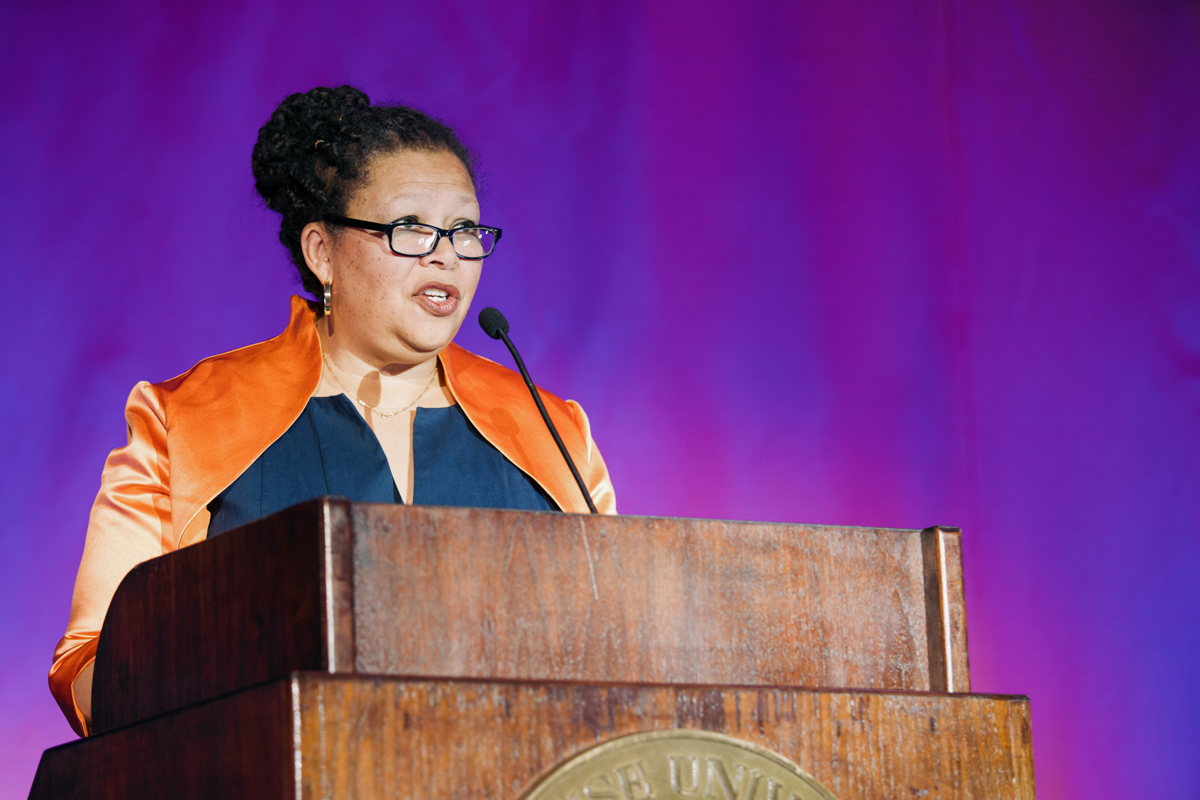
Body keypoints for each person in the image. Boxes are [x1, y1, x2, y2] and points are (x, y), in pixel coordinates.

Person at [48, 85, 617, 737]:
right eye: (410, 230)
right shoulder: (187, 421)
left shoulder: (549, 432)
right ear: (322, 253)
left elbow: (618, 654)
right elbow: (93, 669)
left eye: (464, 231)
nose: (446, 255)